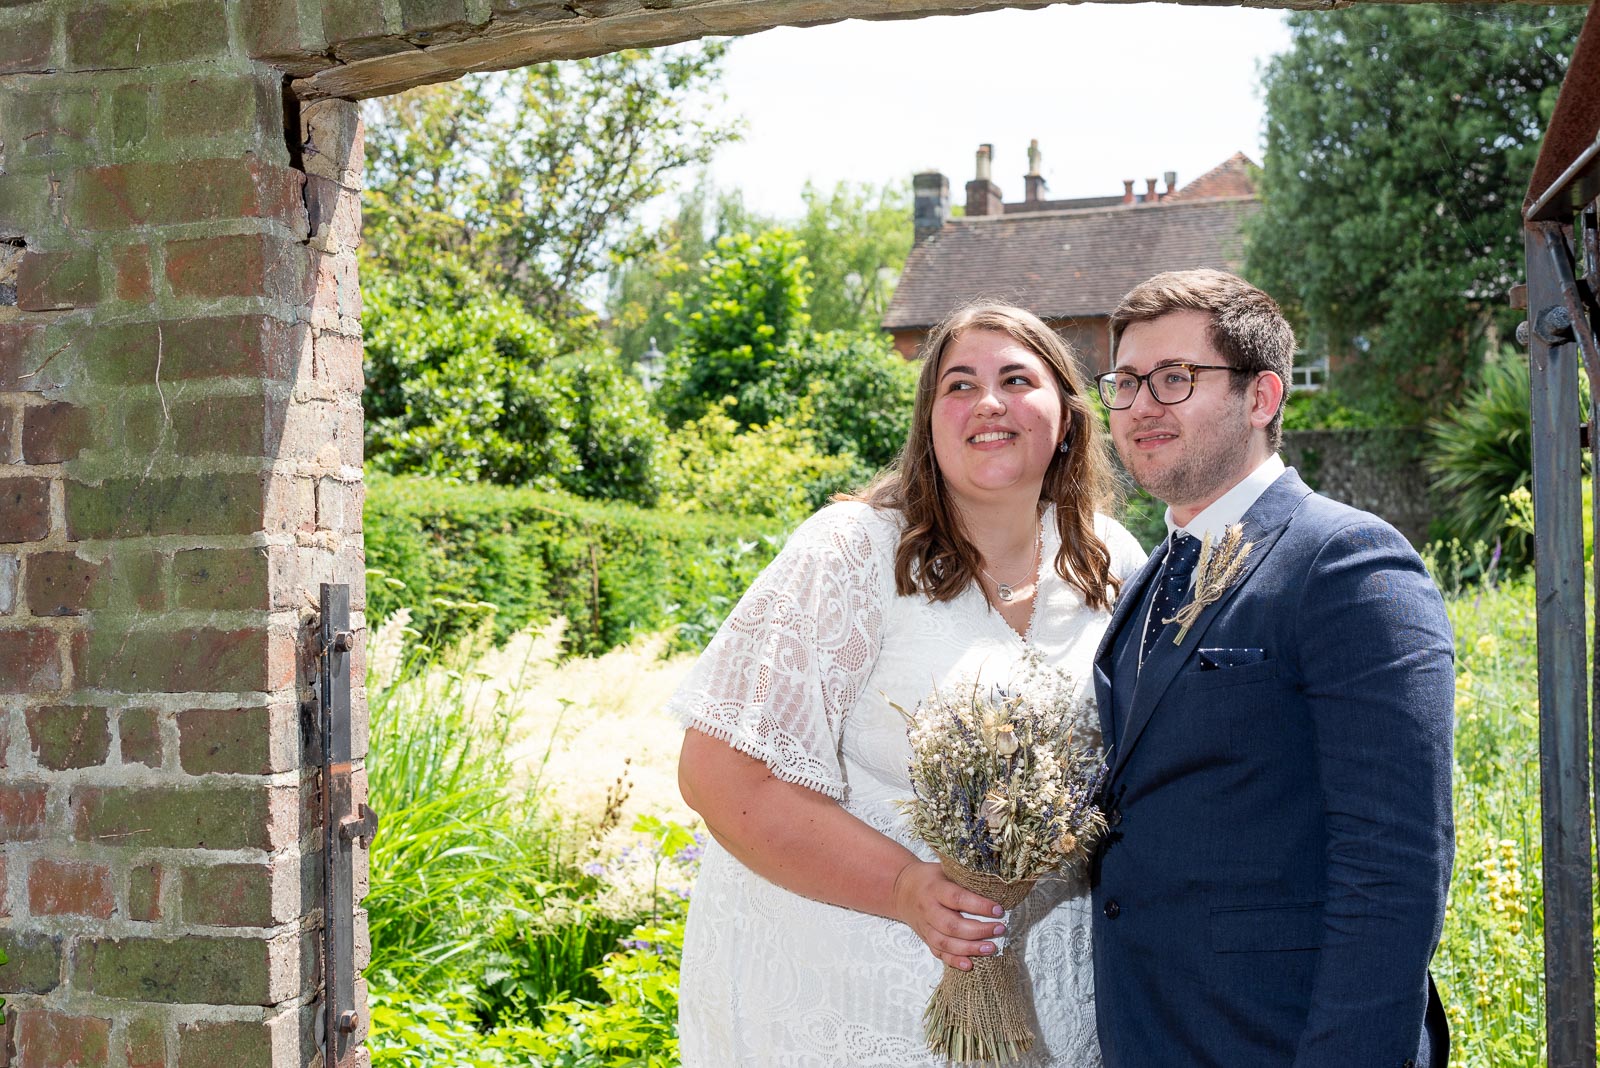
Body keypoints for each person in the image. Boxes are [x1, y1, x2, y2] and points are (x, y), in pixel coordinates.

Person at [670, 302, 1146, 1066]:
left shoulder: (1110, 558)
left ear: (1066, 414)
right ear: (929, 424)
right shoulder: (853, 552)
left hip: (1052, 1005)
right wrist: (904, 888)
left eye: (1015, 378)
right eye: (958, 385)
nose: (986, 402)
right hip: (850, 999)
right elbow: (720, 772)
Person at [1089, 268, 1454, 1068]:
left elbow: (1394, 872)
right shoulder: (1148, 576)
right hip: (1153, 1034)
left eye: (1176, 378)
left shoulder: (1347, 561)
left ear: (1262, 398)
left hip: (1283, 1041)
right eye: (1124, 382)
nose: (1141, 404)